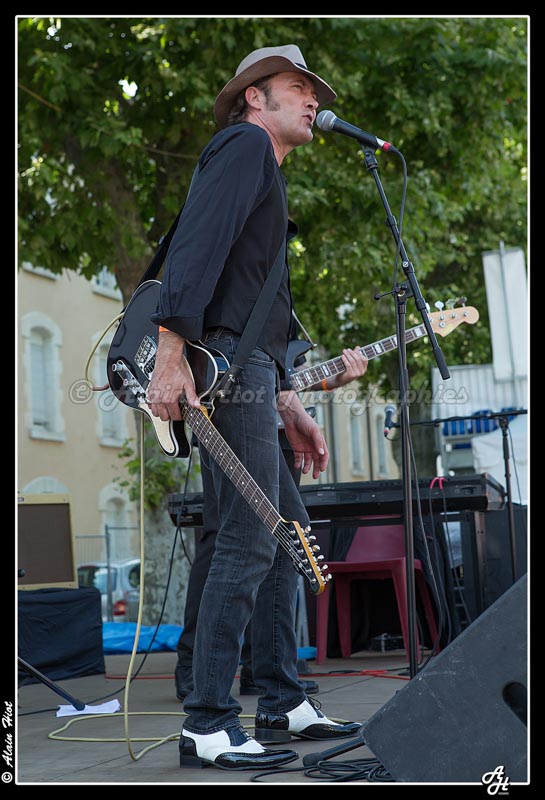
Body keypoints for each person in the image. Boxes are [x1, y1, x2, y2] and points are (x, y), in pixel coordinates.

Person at [147, 43, 364, 772]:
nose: (312, 99)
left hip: (254, 372)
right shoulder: (243, 146)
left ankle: (282, 701)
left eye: (313, 90)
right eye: (296, 87)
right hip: (224, 369)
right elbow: (195, 249)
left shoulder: (265, 170)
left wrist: (289, 400)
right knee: (247, 540)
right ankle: (209, 724)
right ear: (254, 98)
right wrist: (171, 356)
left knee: (287, 535)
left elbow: (256, 304)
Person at [174, 342, 369, 704]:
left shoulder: (286, 321)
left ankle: (269, 677)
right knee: (230, 540)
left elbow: (287, 378)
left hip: (277, 427)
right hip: (230, 418)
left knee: (282, 541)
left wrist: (334, 380)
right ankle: (199, 678)